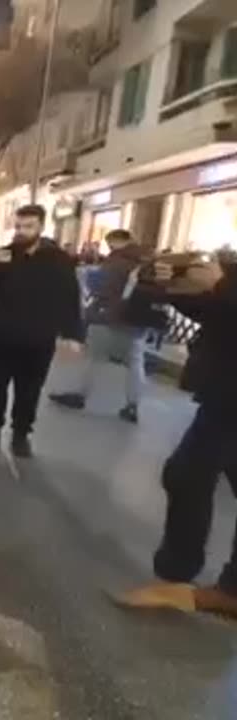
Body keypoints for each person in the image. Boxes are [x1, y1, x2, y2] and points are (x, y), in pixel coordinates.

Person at [147, 253, 237, 611]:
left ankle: (218, 586)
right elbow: (218, 312)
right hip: (225, 394)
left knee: (186, 474)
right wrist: (174, 285)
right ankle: (178, 569)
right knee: (186, 475)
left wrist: (219, 285)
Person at [0, 204, 83, 459]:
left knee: (29, 389)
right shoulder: (4, 255)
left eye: (29, 227)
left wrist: (72, 333)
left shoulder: (58, 260)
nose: (22, 232)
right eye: (19, 227)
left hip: (38, 338)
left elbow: (69, 297)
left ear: (41, 227)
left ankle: (21, 434)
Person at [49, 229, 150, 423]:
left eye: (110, 243)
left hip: (110, 315)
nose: (109, 247)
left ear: (119, 241)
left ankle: (80, 395)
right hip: (138, 318)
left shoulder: (117, 260)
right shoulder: (146, 259)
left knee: (94, 357)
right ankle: (132, 405)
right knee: (136, 362)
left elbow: (103, 288)